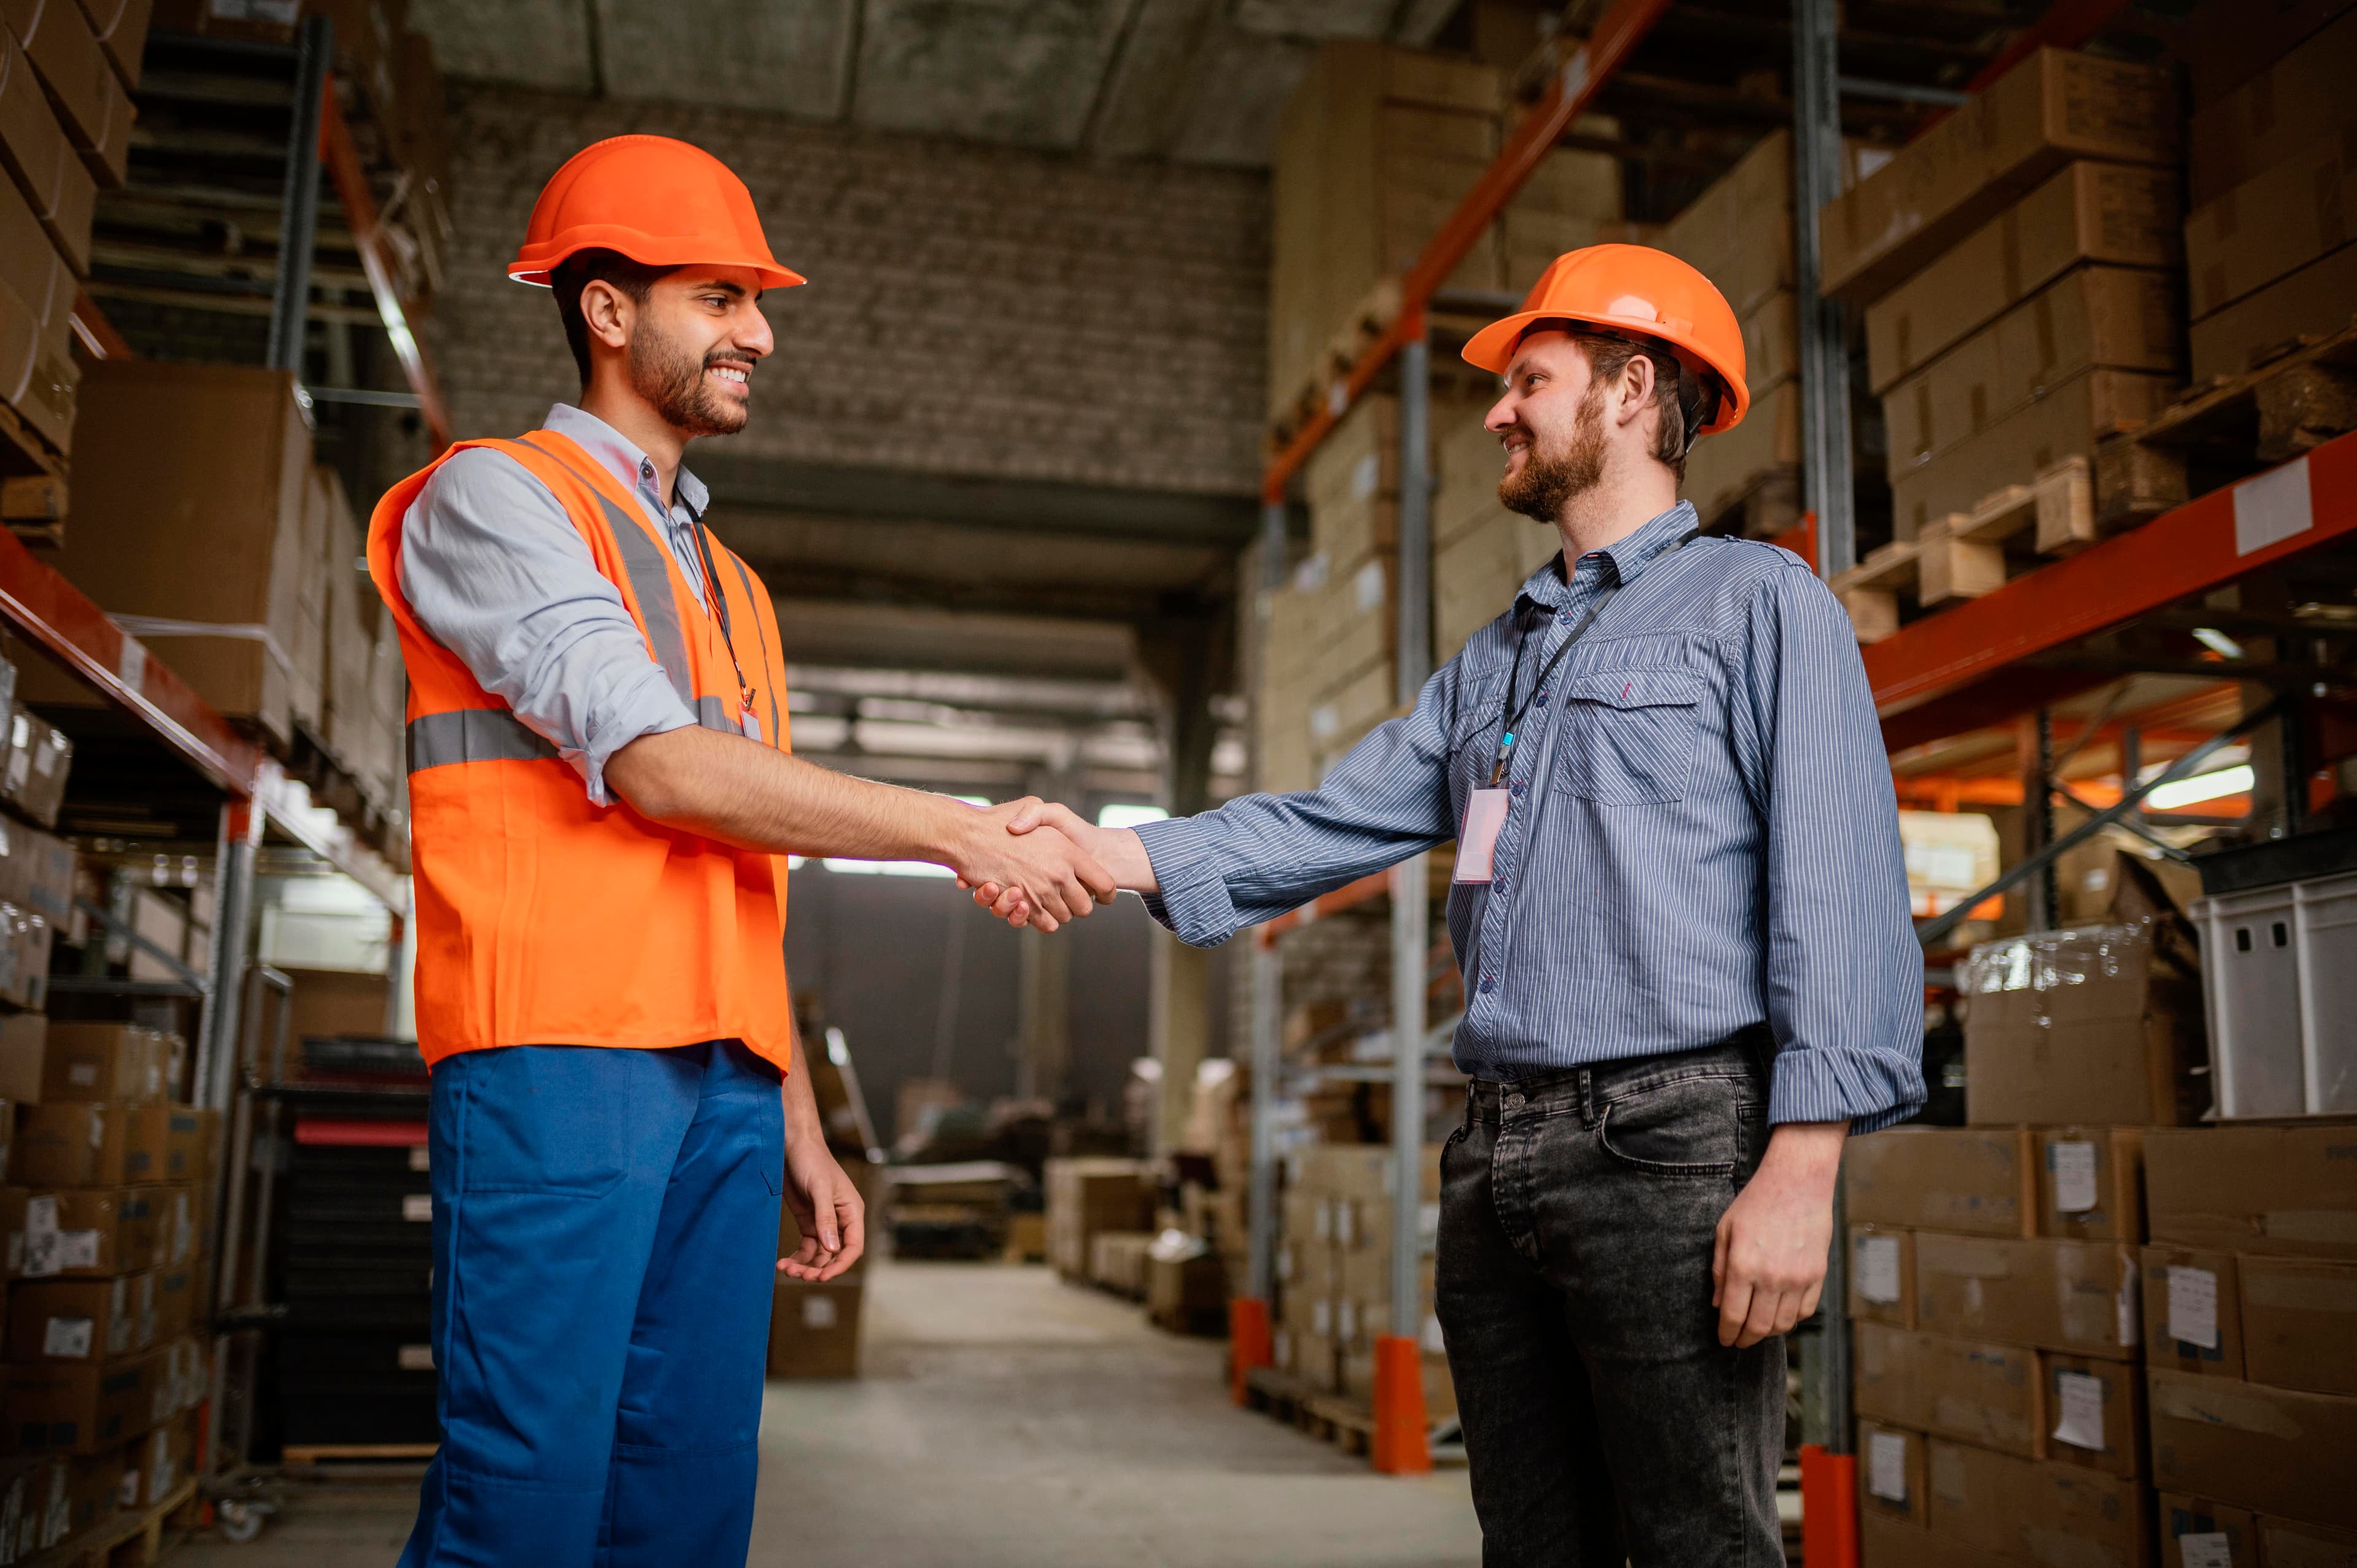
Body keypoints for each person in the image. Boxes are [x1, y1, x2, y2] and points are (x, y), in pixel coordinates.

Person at [975, 246, 1923, 1564]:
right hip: (1495, 1160)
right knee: (1532, 1543)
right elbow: (1332, 817)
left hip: (1671, 1148)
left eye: (1529, 380)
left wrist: (1802, 1170)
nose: (1497, 411)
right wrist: (1110, 852)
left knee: (1696, 1541)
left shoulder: (1761, 605)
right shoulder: (1500, 659)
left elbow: (1840, 889)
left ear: (1633, 389)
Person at [365, 135, 1114, 1568]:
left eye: (753, 302)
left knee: (690, 1497)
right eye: (719, 297)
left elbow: (743, 868)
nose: (759, 333)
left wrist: (795, 1122)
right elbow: (652, 765)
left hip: (719, 1088)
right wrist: (959, 831)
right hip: (558, 1064)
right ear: (605, 310)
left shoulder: (731, 583)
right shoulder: (498, 499)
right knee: (523, 1501)